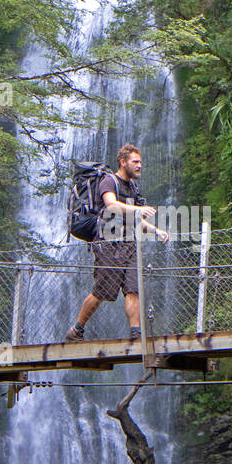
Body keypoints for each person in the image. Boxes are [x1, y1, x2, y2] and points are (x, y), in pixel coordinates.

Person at [66, 144, 169, 342]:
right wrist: (138, 211)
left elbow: (135, 219)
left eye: (140, 162)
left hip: (129, 243)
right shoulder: (108, 180)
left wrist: (156, 231)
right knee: (102, 290)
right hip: (108, 243)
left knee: (133, 289)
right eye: (135, 162)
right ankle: (77, 330)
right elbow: (111, 204)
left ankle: (136, 334)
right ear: (123, 162)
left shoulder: (132, 187)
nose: (140, 166)